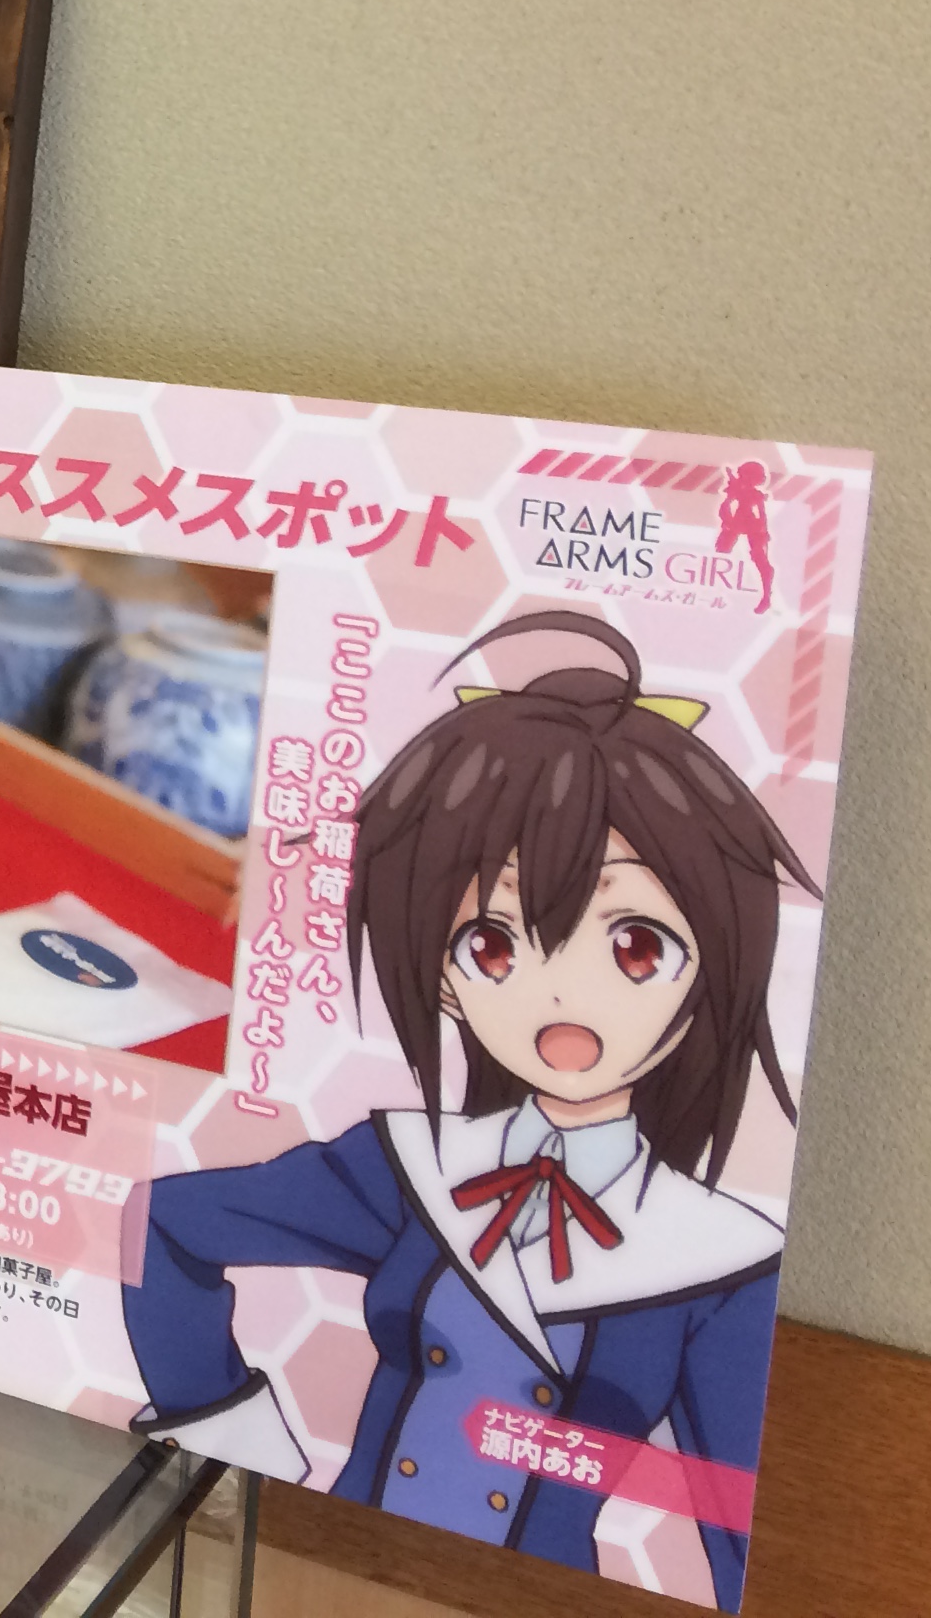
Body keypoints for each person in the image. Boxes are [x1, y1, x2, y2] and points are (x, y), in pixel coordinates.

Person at [120, 613, 818, 1609]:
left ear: (717, 967)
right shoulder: (413, 1166)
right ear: (443, 975)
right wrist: (239, 1456)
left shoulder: (719, 1261)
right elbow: (163, 1224)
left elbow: (728, 1515)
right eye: (491, 944)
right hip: (325, 1571)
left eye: (635, 946)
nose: (559, 997)